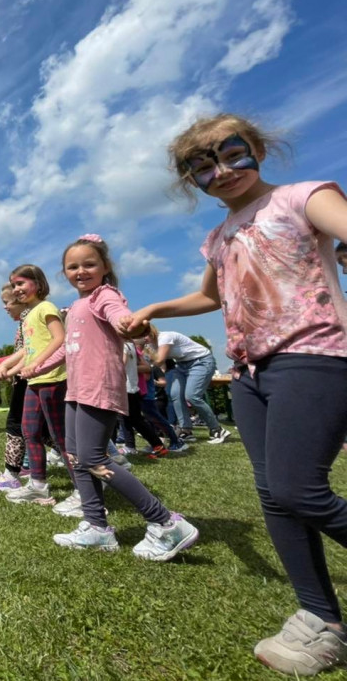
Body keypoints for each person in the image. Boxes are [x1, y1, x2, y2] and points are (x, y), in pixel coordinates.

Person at [123, 114, 347, 675]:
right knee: (273, 494)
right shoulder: (219, 237)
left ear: (258, 149)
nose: (221, 171)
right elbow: (210, 297)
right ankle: (321, 620)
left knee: (300, 488)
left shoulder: (302, 197)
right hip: (248, 373)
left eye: (232, 154)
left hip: (314, 355)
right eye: (203, 166)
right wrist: (153, 309)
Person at [29, 235, 198, 556]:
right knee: (77, 458)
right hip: (76, 391)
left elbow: (118, 314)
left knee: (93, 458)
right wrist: (35, 366)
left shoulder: (104, 295)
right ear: (64, 272)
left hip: (99, 388)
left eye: (89, 264)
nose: (81, 271)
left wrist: (128, 324)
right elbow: (65, 347)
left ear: (105, 267)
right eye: (72, 266)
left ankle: (165, 523)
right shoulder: (77, 305)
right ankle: (97, 528)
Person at [0, 265, 74, 509]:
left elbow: (60, 339)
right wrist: (9, 369)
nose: (17, 289)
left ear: (38, 284)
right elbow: (28, 350)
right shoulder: (28, 315)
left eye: (21, 283)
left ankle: (85, 491)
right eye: (14, 285)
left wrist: (40, 364)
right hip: (34, 382)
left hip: (52, 380)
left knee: (61, 438)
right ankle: (38, 485)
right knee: (30, 431)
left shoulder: (46, 308)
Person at [0, 291, 29, 491]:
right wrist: (4, 364)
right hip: (27, 378)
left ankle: (11, 474)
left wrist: (4, 365)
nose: (4, 307)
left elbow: (29, 351)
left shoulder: (30, 319)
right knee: (43, 430)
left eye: (6, 302)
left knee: (15, 424)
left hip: (30, 379)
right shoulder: (25, 321)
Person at [149, 327, 230, 445]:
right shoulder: (151, 345)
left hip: (201, 361)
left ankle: (217, 430)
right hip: (182, 365)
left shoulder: (165, 337)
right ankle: (186, 430)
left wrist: (142, 371)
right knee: (175, 394)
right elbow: (159, 365)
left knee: (192, 396)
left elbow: (159, 360)